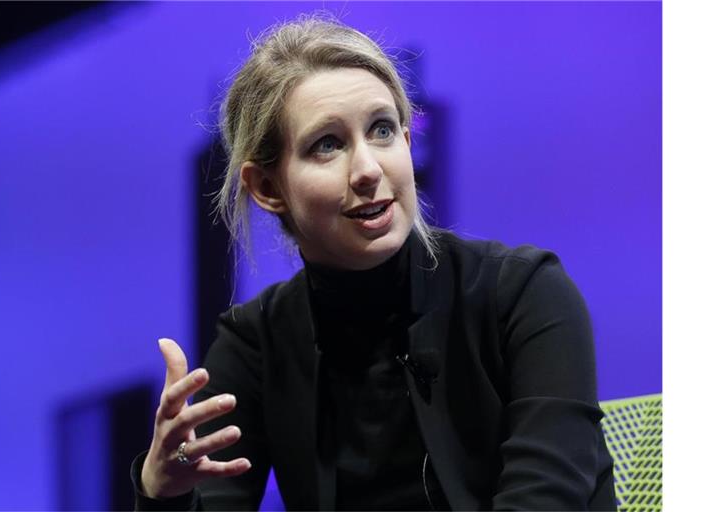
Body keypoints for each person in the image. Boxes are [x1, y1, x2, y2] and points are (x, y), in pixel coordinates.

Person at [131, 14, 617, 511]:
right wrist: (162, 492)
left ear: (407, 144)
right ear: (268, 188)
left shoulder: (524, 293)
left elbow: (546, 500)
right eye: (328, 145)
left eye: (382, 131)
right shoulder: (255, 344)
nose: (367, 169)